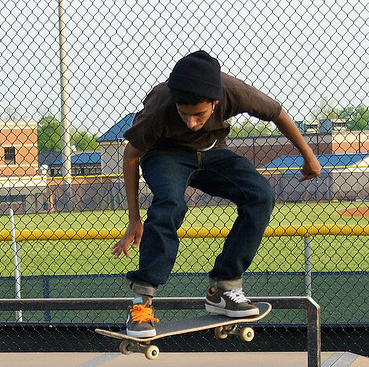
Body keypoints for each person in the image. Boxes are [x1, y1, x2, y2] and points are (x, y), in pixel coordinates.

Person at [112, 50, 321, 338]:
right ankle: (141, 302)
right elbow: (131, 156)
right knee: (170, 204)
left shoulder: (233, 91)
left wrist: (308, 155)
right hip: (165, 156)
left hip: (213, 154)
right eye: (184, 114)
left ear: (216, 102)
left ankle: (224, 286)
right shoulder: (160, 105)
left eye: (199, 114)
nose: (191, 123)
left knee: (260, 195)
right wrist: (134, 219)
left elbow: (277, 113)